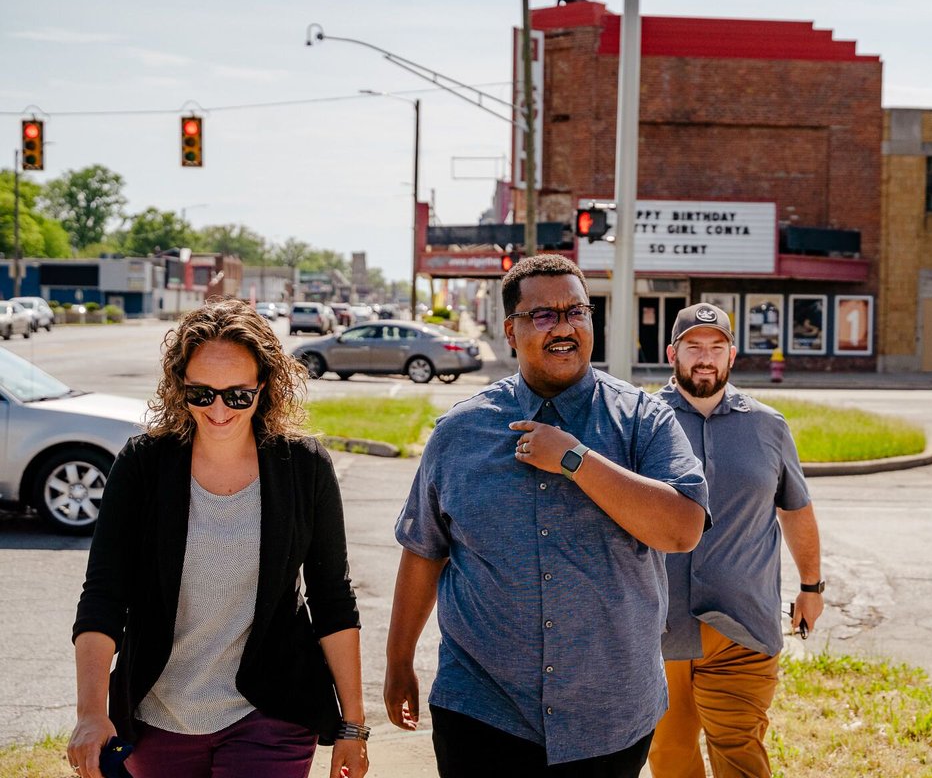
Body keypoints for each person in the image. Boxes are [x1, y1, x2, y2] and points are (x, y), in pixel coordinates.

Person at [384, 254, 709, 777]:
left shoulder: (643, 420)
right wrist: (398, 662)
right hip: (482, 710)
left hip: (608, 715)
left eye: (576, 312)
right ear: (510, 330)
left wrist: (574, 459)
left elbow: (682, 528)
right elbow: (424, 552)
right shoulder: (459, 434)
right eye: (544, 316)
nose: (564, 328)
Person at [68, 299, 369, 778]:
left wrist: (353, 725)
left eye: (237, 395)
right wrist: (90, 712)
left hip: (272, 711)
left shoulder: (304, 467)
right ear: (179, 386)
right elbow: (104, 595)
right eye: (201, 393)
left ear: (263, 387)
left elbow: (332, 597)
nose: (218, 409)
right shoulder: (143, 465)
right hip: (157, 715)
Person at [649, 302, 824, 778]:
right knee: (670, 756)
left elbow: (796, 509)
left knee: (741, 754)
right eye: (693, 347)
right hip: (658, 627)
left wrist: (812, 587)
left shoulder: (769, 426)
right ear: (673, 353)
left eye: (716, 347)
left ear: (732, 356)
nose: (704, 357)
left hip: (743, 624)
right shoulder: (641, 422)